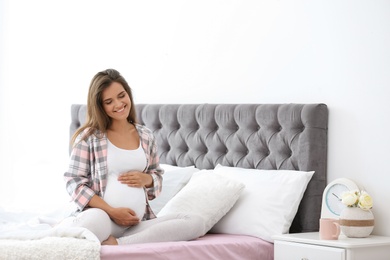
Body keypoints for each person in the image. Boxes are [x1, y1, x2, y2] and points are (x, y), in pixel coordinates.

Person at [63, 68, 205, 245]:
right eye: (109, 101)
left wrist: (147, 179)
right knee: (84, 231)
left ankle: (118, 243)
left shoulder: (145, 135)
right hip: (103, 218)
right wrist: (112, 211)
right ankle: (73, 235)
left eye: (121, 95)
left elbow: (156, 178)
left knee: (195, 222)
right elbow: (73, 182)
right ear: (100, 106)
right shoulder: (89, 138)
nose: (118, 104)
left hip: (137, 224)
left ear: (128, 94)